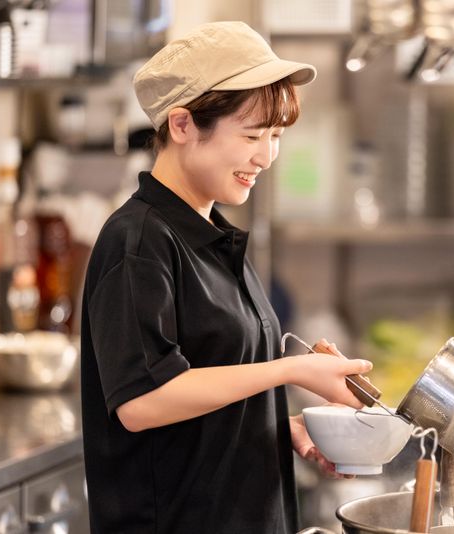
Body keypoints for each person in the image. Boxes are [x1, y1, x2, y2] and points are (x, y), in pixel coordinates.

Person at [80, 21, 373, 534]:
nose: (266, 156)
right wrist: (291, 371)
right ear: (181, 125)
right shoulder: (138, 242)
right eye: (252, 135)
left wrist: (276, 428)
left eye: (275, 136)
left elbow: (209, 390)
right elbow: (143, 402)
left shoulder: (212, 235)